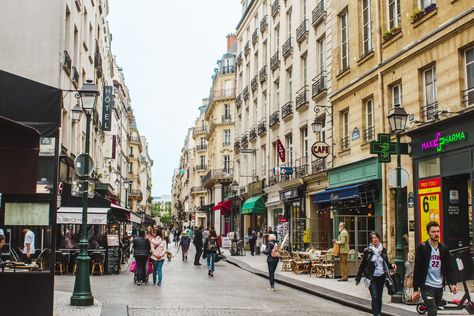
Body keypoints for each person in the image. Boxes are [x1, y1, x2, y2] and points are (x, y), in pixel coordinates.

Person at [412, 221, 458, 316]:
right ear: (428, 233)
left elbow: (448, 268)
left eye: (438, 231)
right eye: (433, 232)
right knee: (433, 311)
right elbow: (417, 269)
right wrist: (416, 289)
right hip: (427, 286)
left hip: (439, 287)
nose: (436, 234)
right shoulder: (422, 247)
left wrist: (453, 283)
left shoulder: (444, 248)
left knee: (433, 309)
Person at [355, 232, 397, 316]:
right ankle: (376, 314)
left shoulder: (383, 250)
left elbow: (386, 262)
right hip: (371, 277)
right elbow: (363, 265)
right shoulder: (367, 251)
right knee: (374, 297)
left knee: (379, 297)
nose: (375, 239)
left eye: (376, 237)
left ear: (379, 238)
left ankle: (379, 313)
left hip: (381, 276)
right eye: (373, 238)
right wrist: (358, 278)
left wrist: (391, 265)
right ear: (371, 241)